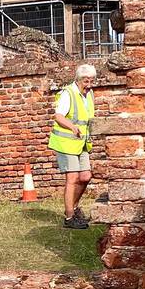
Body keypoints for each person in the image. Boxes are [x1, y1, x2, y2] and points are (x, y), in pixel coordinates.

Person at [48, 64, 96, 230]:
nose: (89, 84)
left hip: (81, 143)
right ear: (78, 79)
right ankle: (69, 218)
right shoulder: (68, 93)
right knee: (73, 178)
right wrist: (72, 127)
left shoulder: (89, 95)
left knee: (86, 176)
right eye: (86, 81)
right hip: (66, 142)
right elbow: (58, 116)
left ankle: (74, 208)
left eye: (91, 81)